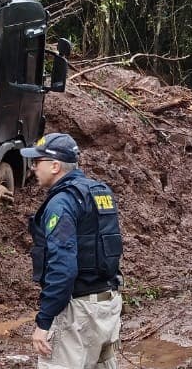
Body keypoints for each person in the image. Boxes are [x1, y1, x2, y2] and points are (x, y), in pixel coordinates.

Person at [21, 133, 123, 368]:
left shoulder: (62, 203)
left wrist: (44, 321)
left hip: (79, 313)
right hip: (107, 305)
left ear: (55, 166)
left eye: (38, 161)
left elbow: (63, 266)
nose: (33, 167)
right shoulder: (100, 193)